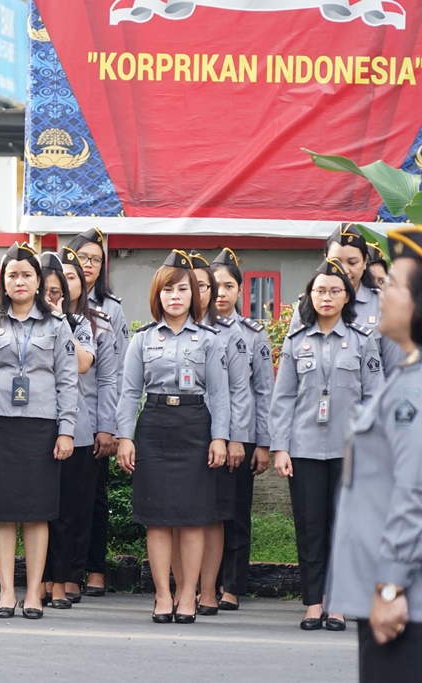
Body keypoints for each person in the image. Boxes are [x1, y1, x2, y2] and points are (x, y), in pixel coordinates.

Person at [0, 242, 78, 620]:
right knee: (3, 512)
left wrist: (67, 430)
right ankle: (7, 591)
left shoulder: (57, 326)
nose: (20, 280)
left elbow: (68, 380)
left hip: (41, 427)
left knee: (37, 512)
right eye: (13, 274)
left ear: (40, 280)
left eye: (27, 274)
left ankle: (33, 593)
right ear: (4, 281)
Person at [328, 226, 422, 680]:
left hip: (403, 602)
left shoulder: (414, 391)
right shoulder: (404, 379)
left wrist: (389, 586)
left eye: (395, 285)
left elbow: (413, 492)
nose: (381, 293)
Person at [116, 250, 230, 625]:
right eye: (168, 290)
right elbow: (129, 392)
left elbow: (221, 393)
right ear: (157, 295)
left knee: (194, 519)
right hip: (155, 426)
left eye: (183, 289)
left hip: (196, 426)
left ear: (195, 296)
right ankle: (162, 595)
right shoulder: (142, 339)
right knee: (159, 519)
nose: (176, 296)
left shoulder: (209, 340)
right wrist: (125, 437)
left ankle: (187, 595)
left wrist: (220, 438)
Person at [270, 258, 382, 631]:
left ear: (347, 296)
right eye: (320, 290)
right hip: (303, 449)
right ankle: (314, 603)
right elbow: (282, 397)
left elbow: (374, 399)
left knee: (344, 528)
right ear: (310, 296)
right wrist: (280, 447)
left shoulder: (363, 342)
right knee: (310, 526)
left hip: (350, 450)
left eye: (335, 290)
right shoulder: (296, 341)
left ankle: (338, 604)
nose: (327, 297)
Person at [63, 228, 126, 596]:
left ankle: (93, 567)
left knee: (92, 497)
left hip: (90, 416)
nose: (88, 265)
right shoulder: (50, 306)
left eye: (95, 260)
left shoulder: (109, 310)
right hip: (56, 418)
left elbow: (112, 374)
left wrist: (109, 425)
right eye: (81, 258)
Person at [188, 250, 251, 615]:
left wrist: (235, 437)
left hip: (219, 433)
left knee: (214, 514)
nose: (199, 292)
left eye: (204, 285)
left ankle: (209, 589)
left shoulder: (230, 333)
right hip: (181, 432)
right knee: (181, 514)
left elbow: (241, 390)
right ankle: (184, 588)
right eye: (191, 285)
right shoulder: (169, 327)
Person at [211, 248, 273, 611]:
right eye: (215, 285)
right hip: (201, 434)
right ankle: (205, 582)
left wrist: (263, 443)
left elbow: (264, 390)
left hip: (241, 435)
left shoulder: (252, 334)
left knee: (235, 512)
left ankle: (232, 584)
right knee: (203, 513)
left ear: (239, 291)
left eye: (228, 286)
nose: (220, 293)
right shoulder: (195, 327)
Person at [39, 251, 96, 609]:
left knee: (68, 511)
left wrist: (61, 321)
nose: (50, 297)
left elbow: (84, 364)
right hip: (36, 426)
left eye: (56, 291)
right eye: (45, 291)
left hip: (75, 427)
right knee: (40, 510)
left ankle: (61, 581)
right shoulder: (20, 323)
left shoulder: (78, 323)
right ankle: (41, 581)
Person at [288, 223, 401, 374]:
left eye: (352, 262)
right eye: (336, 261)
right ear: (325, 260)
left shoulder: (385, 305)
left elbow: (395, 370)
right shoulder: (307, 304)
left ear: (365, 261)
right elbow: (291, 364)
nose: (344, 270)